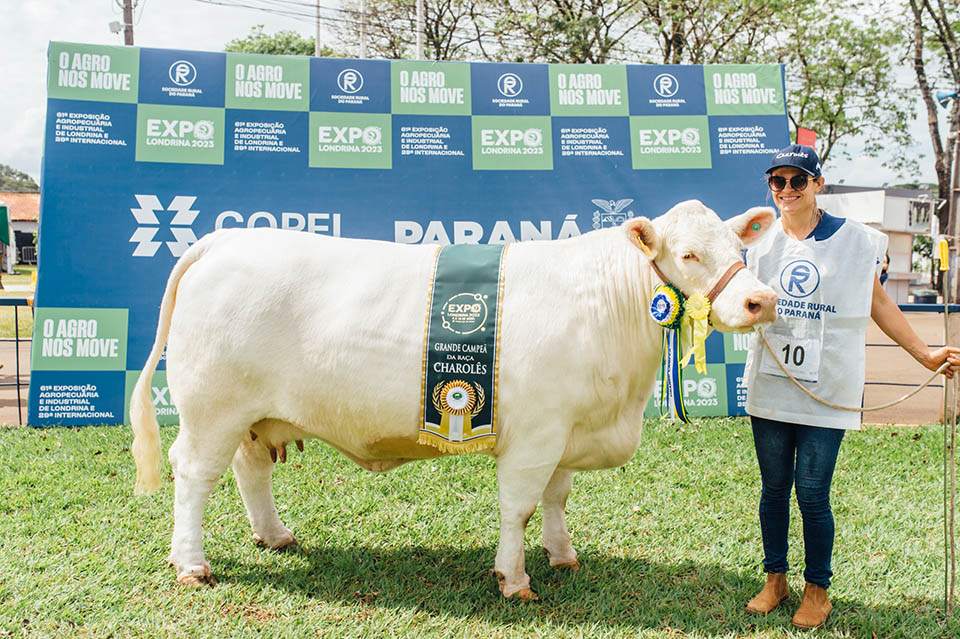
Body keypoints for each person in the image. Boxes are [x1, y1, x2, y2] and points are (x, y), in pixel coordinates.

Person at [741, 144, 960, 630]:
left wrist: (924, 353)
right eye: (778, 181)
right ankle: (775, 579)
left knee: (812, 492)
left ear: (818, 184)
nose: (787, 190)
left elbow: (877, 303)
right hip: (772, 383)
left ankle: (817, 589)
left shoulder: (857, 240)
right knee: (774, 489)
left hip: (830, 388)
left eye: (798, 180)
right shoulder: (758, 245)